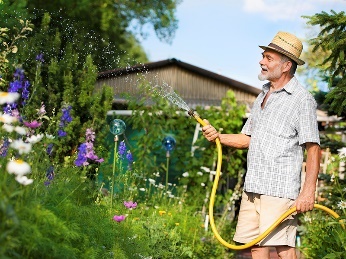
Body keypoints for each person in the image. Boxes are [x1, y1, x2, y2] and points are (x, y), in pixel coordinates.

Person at [202, 31, 320, 259]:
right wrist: (218, 136)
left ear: (286, 66)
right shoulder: (263, 94)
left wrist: (308, 192)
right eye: (263, 56)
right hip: (254, 185)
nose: (261, 61)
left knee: (284, 249)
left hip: (279, 188)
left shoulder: (301, 100)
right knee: (256, 246)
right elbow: (248, 139)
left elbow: (313, 148)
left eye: (268, 58)